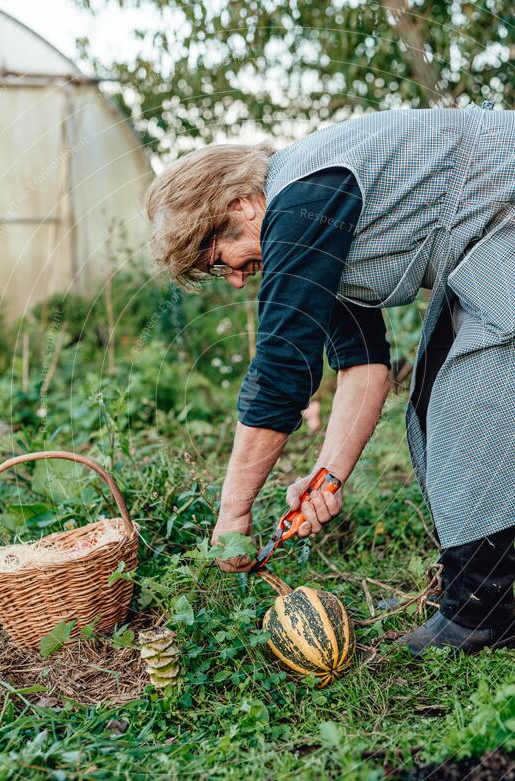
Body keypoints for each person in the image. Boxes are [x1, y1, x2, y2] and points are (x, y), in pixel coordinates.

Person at [146, 103, 515, 657]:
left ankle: (482, 613)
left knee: (467, 399)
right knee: (430, 400)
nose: (239, 280)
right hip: (488, 242)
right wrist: (327, 476)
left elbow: (281, 372)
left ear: (242, 205)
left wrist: (234, 513)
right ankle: (470, 590)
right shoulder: (314, 221)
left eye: (222, 261)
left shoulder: (301, 202)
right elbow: (363, 364)